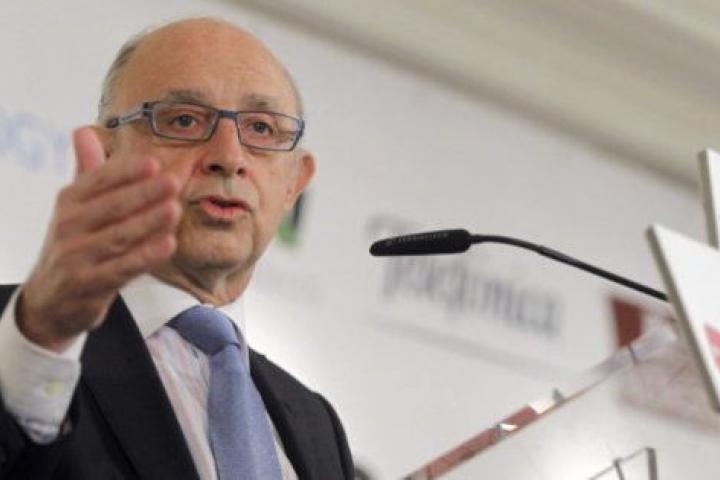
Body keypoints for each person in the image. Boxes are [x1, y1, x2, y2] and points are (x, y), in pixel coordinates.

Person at [0, 17, 353, 479]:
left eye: (262, 129)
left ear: (294, 184)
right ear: (105, 155)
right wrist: (42, 339)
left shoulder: (315, 424)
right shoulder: (21, 337)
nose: (229, 157)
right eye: (184, 120)